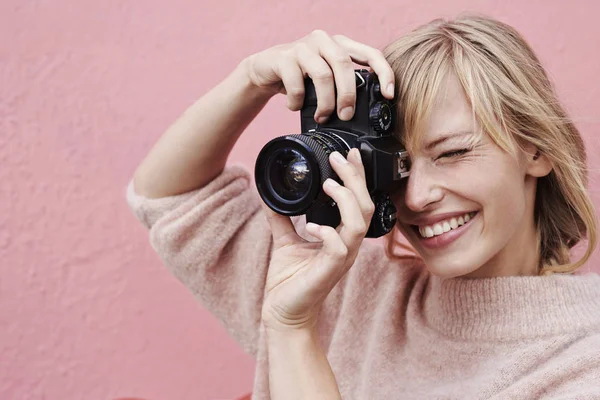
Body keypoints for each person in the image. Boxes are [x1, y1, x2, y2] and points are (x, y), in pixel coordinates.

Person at [126, 14, 600, 399]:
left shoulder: (580, 362)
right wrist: (250, 79)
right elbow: (170, 201)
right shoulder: (345, 282)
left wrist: (293, 331)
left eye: (453, 153)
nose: (416, 198)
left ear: (537, 150)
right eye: (398, 166)